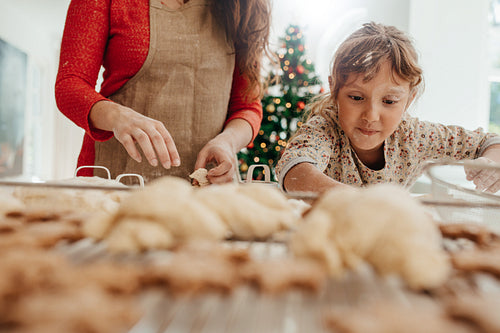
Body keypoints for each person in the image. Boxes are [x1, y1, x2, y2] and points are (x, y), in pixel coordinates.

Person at [55, 0, 271, 184]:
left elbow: (247, 106)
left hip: (208, 190)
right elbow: (70, 84)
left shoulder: (241, 8)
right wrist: (118, 116)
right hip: (117, 181)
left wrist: (227, 141)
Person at [276, 22, 500, 194]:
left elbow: (489, 142)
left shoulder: (415, 136)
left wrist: (491, 164)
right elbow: (294, 172)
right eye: (355, 97)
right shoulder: (325, 129)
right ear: (334, 88)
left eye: (389, 101)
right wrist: (365, 203)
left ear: (409, 99)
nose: (371, 116)